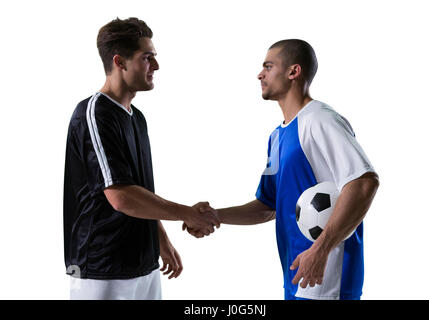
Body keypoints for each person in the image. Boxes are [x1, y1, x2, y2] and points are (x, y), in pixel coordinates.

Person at [184, 39, 379, 300]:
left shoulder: (320, 120)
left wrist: (320, 250)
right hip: (297, 276)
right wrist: (215, 215)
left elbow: (365, 182)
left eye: (268, 66)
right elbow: (267, 206)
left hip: (327, 279)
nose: (260, 74)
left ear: (293, 72)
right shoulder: (277, 137)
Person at [63, 17, 220, 300]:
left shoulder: (137, 119)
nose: (156, 66)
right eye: (147, 58)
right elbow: (120, 196)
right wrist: (187, 213)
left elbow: (137, 188)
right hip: (102, 270)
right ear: (120, 62)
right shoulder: (94, 113)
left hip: (144, 266)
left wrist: (159, 239)